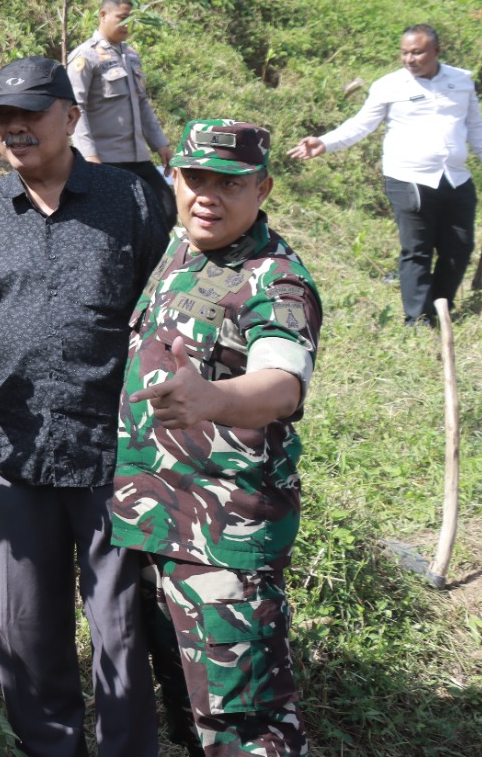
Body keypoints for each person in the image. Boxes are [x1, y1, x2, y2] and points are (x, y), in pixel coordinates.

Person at [0, 56, 170, 757]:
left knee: (119, 625)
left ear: (71, 119)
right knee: (20, 625)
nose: (15, 129)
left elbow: (167, 315)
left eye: (32, 114)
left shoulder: (133, 201)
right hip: (13, 453)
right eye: (2, 118)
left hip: (111, 450)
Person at [111, 120, 323, 757]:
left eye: (228, 183)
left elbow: (281, 383)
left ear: (262, 187)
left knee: (245, 725)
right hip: (153, 524)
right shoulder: (183, 249)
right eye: (194, 178)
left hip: (223, 542)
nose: (207, 195)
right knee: (188, 709)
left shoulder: (276, 280)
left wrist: (215, 398)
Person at [288, 23, 482, 324]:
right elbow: (361, 124)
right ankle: (417, 319)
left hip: (455, 177)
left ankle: (441, 308)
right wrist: (324, 142)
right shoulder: (389, 86)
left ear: (436, 51)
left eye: (417, 52)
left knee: (459, 246)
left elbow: (475, 125)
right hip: (409, 178)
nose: (410, 59)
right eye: (405, 53)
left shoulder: (461, 81)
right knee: (418, 249)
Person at [68, 0, 174, 212]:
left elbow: (142, 103)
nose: (128, 24)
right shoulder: (85, 56)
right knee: (116, 216)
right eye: (122, 17)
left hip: (137, 156)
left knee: (165, 208)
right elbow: (75, 109)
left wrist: (160, 144)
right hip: (106, 159)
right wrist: (89, 156)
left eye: (131, 19)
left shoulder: (131, 56)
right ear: (103, 15)